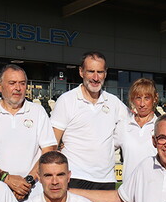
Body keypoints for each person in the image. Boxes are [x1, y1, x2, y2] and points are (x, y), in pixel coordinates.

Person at [0, 64, 57, 202]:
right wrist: (6, 178)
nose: (18, 88)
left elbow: (49, 150)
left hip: (32, 192)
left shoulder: (38, 111)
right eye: (12, 83)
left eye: (22, 83)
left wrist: (28, 181)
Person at [51, 51, 129, 191]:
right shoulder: (67, 100)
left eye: (100, 72)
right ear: (81, 72)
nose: (95, 77)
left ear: (105, 73)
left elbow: (134, 125)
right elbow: (52, 143)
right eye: (91, 71)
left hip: (106, 180)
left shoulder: (114, 102)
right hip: (74, 178)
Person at [20, 151, 97, 202]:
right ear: (39, 178)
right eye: (48, 176)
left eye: (60, 175)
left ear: (68, 176)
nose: (54, 182)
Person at [116, 78, 160, 181]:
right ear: (132, 100)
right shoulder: (123, 125)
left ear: (154, 99)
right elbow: (105, 148)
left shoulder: (161, 125)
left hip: (154, 188)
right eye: (138, 98)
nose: (142, 104)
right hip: (128, 190)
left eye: (147, 98)